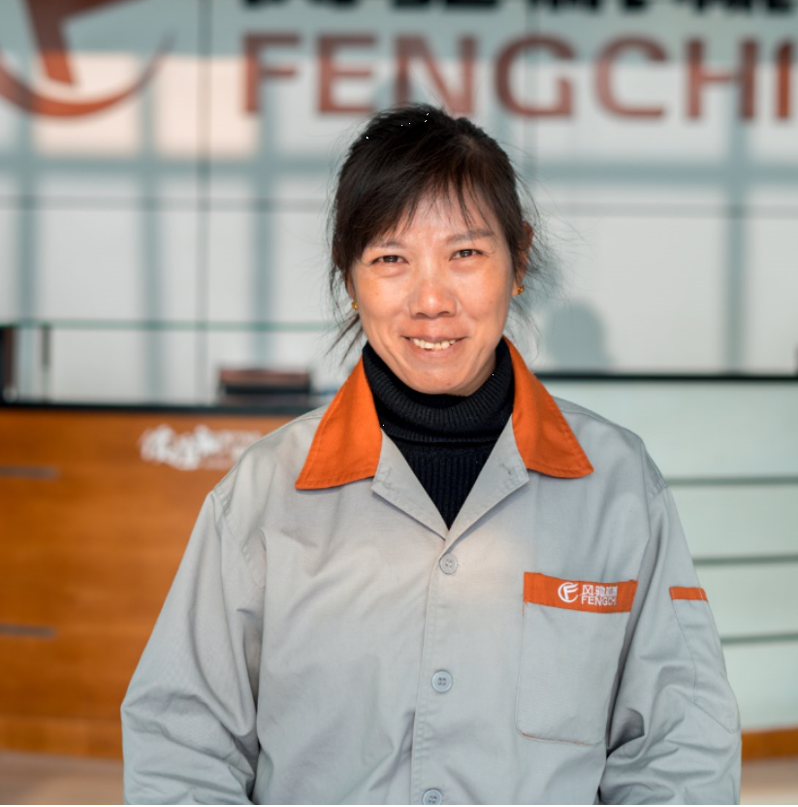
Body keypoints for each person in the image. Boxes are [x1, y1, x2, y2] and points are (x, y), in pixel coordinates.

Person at [122, 104, 741, 804]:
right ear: (349, 275)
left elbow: (681, 748)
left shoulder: (619, 486)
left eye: (465, 254)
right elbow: (181, 745)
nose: (431, 299)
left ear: (519, 259)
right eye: (391, 258)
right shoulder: (264, 492)